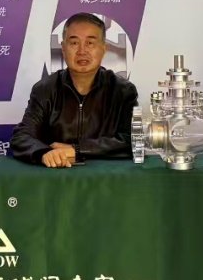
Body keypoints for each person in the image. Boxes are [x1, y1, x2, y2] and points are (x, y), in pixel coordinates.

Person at [11, 12, 139, 168]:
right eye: (74, 43)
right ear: (63, 48)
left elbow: (133, 140)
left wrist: (77, 150)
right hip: (56, 175)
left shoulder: (122, 91)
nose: (82, 51)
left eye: (90, 43)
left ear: (103, 48)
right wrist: (45, 153)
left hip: (106, 177)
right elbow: (22, 136)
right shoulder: (45, 89)